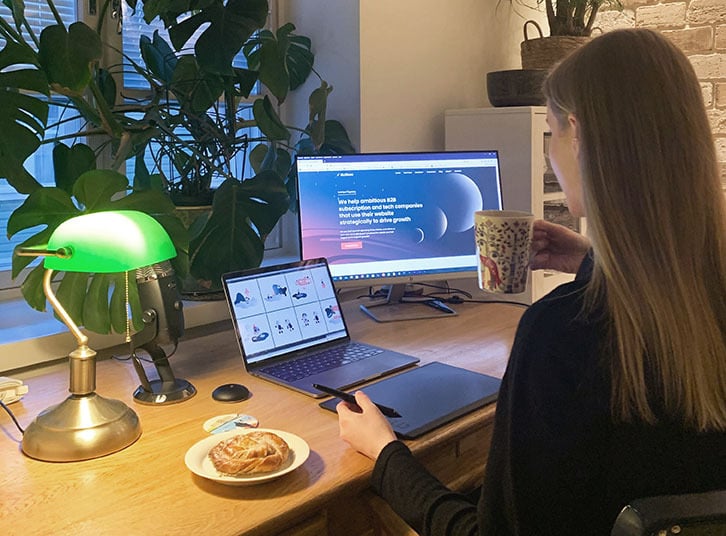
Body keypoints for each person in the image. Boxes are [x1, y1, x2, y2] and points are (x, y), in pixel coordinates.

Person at [336, 28, 726, 535]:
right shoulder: (708, 294)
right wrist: (592, 262)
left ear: (579, 137)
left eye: (552, 133)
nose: (550, 155)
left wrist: (386, 453)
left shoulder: (560, 332)